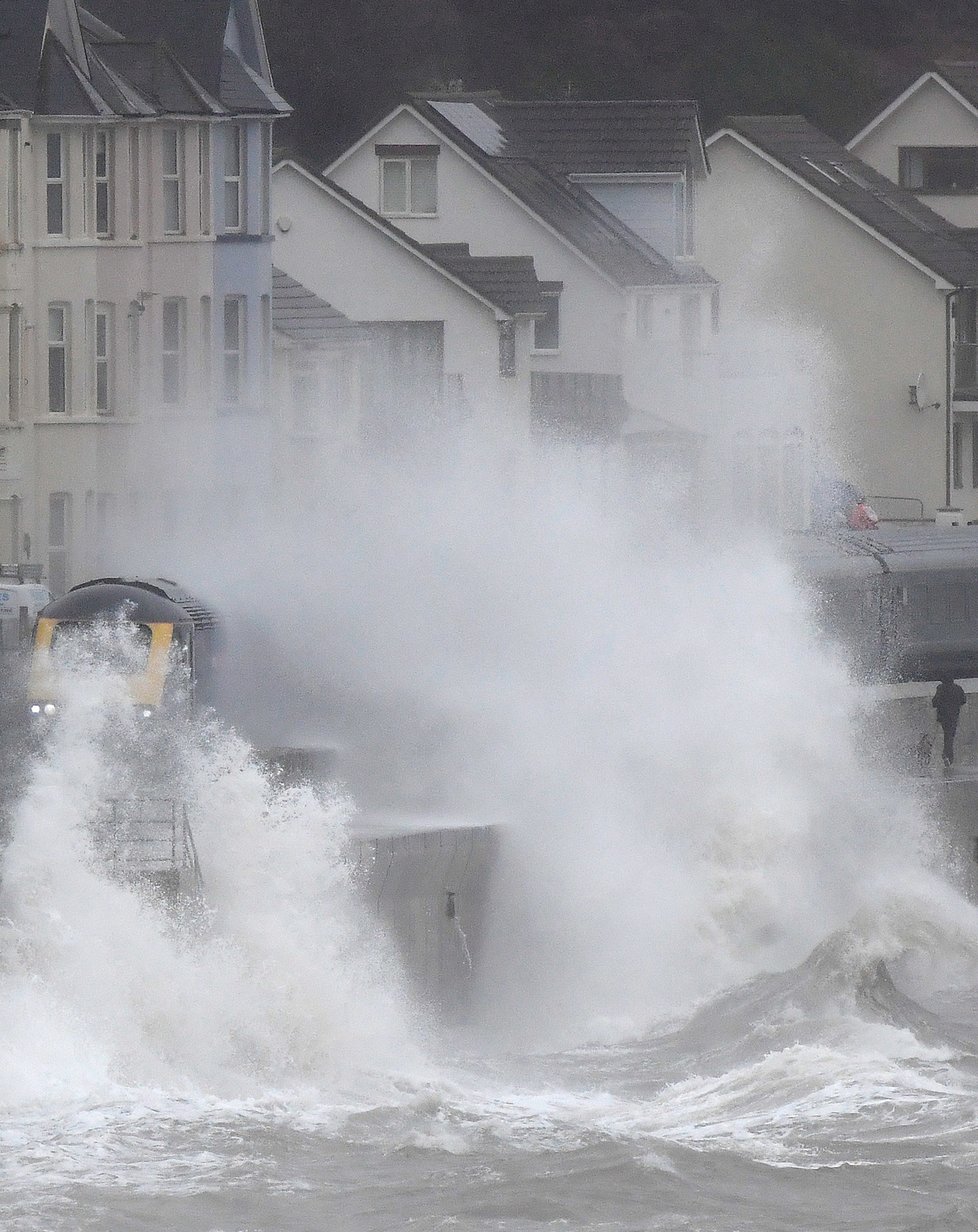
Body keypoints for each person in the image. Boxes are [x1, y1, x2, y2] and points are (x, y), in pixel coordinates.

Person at [932, 676, 967, 767]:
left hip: (943, 716)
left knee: (947, 735)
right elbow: (963, 700)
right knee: (950, 735)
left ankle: (947, 755)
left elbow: (935, 702)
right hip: (954, 716)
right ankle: (948, 756)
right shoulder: (958, 688)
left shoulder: (941, 688)